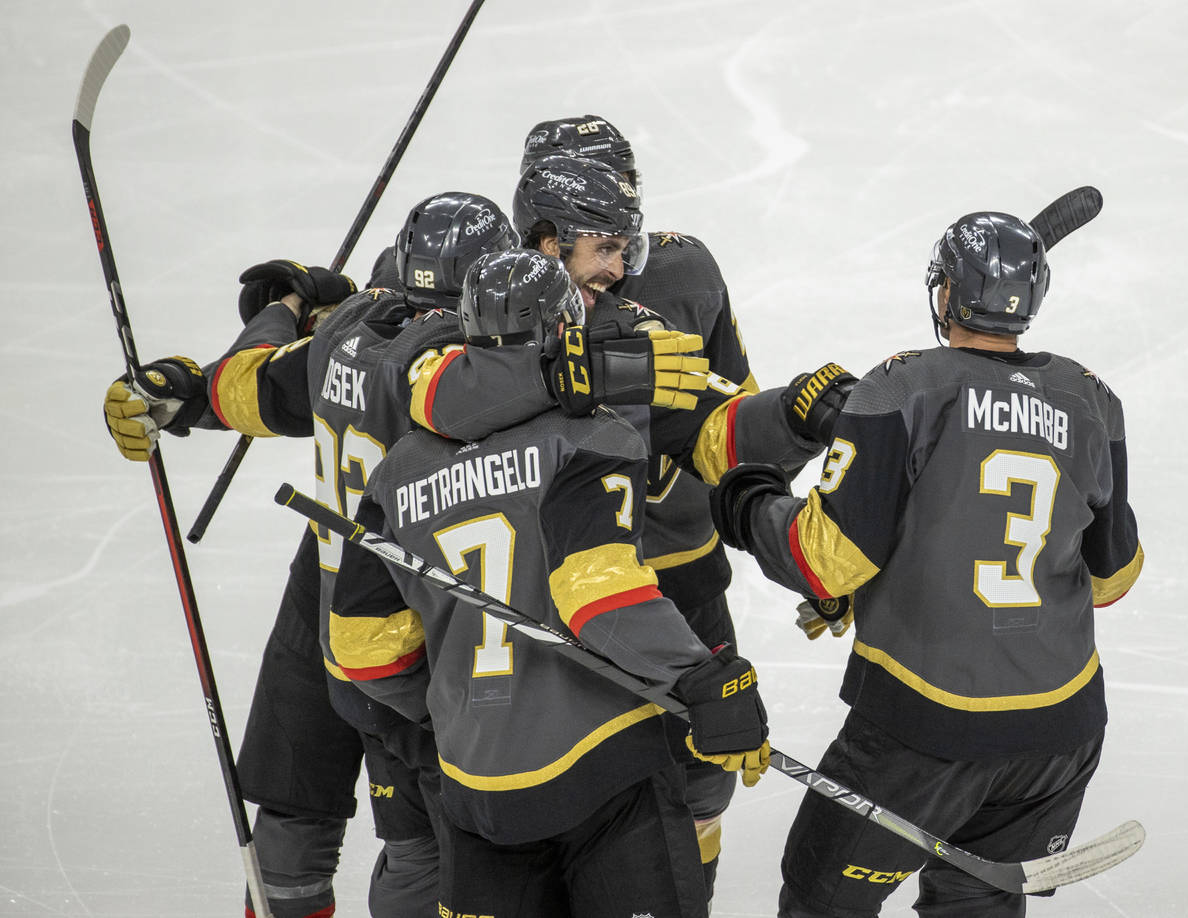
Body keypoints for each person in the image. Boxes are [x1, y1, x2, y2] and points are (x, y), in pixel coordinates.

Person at [101, 191, 707, 917]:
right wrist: (595, 369)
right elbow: (458, 394)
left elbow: (247, 385)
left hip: (338, 617)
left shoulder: (348, 331)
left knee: (304, 828)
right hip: (422, 640)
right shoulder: (440, 362)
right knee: (429, 855)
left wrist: (195, 377)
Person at [405, 146, 824, 902]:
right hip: (550, 628)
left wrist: (791, 420)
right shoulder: (476, 322)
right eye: (604, 248)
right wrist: (584, 372)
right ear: (545, 242)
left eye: (627, 247)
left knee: (697, 793)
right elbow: (439, 392)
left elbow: (709, 429)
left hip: (650, 594)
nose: (622, 269)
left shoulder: (634, 324)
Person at [709, 210, 1144, 917]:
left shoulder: (900, 388)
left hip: (924, 730)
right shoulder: (1092, 400)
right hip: (1060, 735)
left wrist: (746, 503)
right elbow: (1113, 577)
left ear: (945, 294)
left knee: (822, 901)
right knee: (978, 906)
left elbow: (827, 561)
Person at [329, 248, 772, 918]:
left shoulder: (399, 471)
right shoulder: (591, 436)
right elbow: (599, 598)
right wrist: (699, 678)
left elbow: (361, 646)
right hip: (604, 770)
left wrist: (453, 705)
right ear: (567, 328)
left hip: (475, 788)